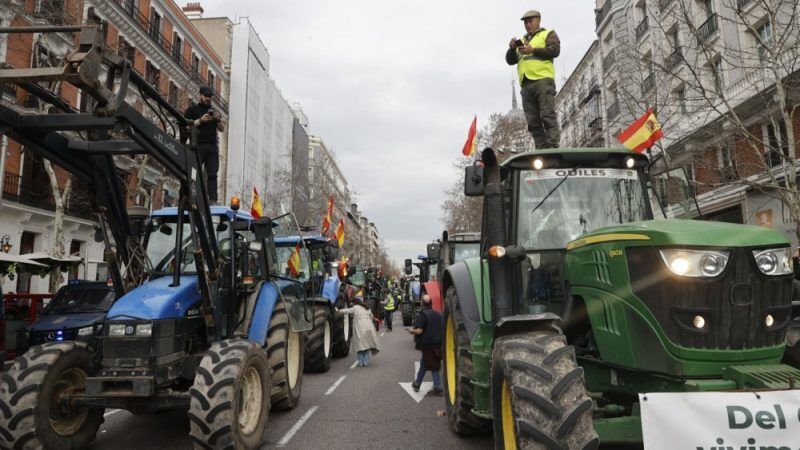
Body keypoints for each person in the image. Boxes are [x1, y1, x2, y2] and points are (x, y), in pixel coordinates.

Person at [505, 9, 561, 149]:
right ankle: (541, 148)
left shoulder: (548, 34)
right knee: (533, 121)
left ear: (538, 20)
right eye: (525, 22)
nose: (527, 24)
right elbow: (510, 61)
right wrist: (512, 49)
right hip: (526, 84)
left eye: (530, 21)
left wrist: (533, 50)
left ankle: (553, 145)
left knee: (547, 114)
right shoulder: (522, 41)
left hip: (543, 80)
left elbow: (555, 50)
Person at [184, 86, 224, 203]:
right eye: (206, 96)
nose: (208, 98)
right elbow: (186, 126)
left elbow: (221, 129)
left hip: (212, 146)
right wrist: (200, 120)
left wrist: (218, 120)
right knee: (194, 172)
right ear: (200, 95)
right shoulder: (192, 110)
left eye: (210, 96)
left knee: (212, 173)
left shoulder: (214, 111)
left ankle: (212, 199)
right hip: (198, 145)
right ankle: (192, 196)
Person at [408, 294, 443, 395]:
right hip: (437, 345)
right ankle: (417, 383)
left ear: (422, 303)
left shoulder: (423, 315)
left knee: (433, 366)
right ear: (431, 303)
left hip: (428, 346)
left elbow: (419, 330)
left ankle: (437, 387)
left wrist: (411, 331)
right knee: (425, 363)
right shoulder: (438, 314)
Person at [338, 298, 380, 366]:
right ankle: (365, 362)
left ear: (355, 303)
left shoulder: (355, 307)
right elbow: (372, 317)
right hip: (369, 327)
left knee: (360, 345)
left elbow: (347, 310)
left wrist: (339, 311)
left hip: (360, 328)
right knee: (366, 345)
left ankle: (361, 362)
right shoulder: (367, 308)